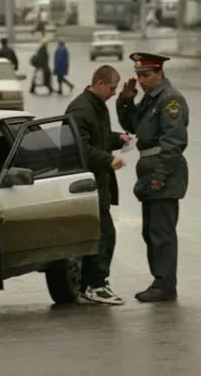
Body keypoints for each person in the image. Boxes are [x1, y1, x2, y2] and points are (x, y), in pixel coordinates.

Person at [116, 52, 189, 303]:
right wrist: (126, 101)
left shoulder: (170, 100)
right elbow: (133, 126)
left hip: (163, 171)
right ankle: (160, 281)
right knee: (151, 231)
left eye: (146, 75)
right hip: (151, 169)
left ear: (160, 73)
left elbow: (174, 141)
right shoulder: (151, 99)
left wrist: (160, 175)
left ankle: (165, 285)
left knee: (161, 232)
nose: (142, 80)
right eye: (139, 76)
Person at [65, 65, 132, 305]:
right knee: (104, 235)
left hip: (97, 184)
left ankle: (89, 284)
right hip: (86, 184)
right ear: (100, 83)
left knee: (101, 234)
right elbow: (80, 147)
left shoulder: (96, 106)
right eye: (112, 88)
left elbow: (98, 137)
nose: (113, 94)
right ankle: (95, 285)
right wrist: (108, 160)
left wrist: (118, 139)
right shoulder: (81, 109)